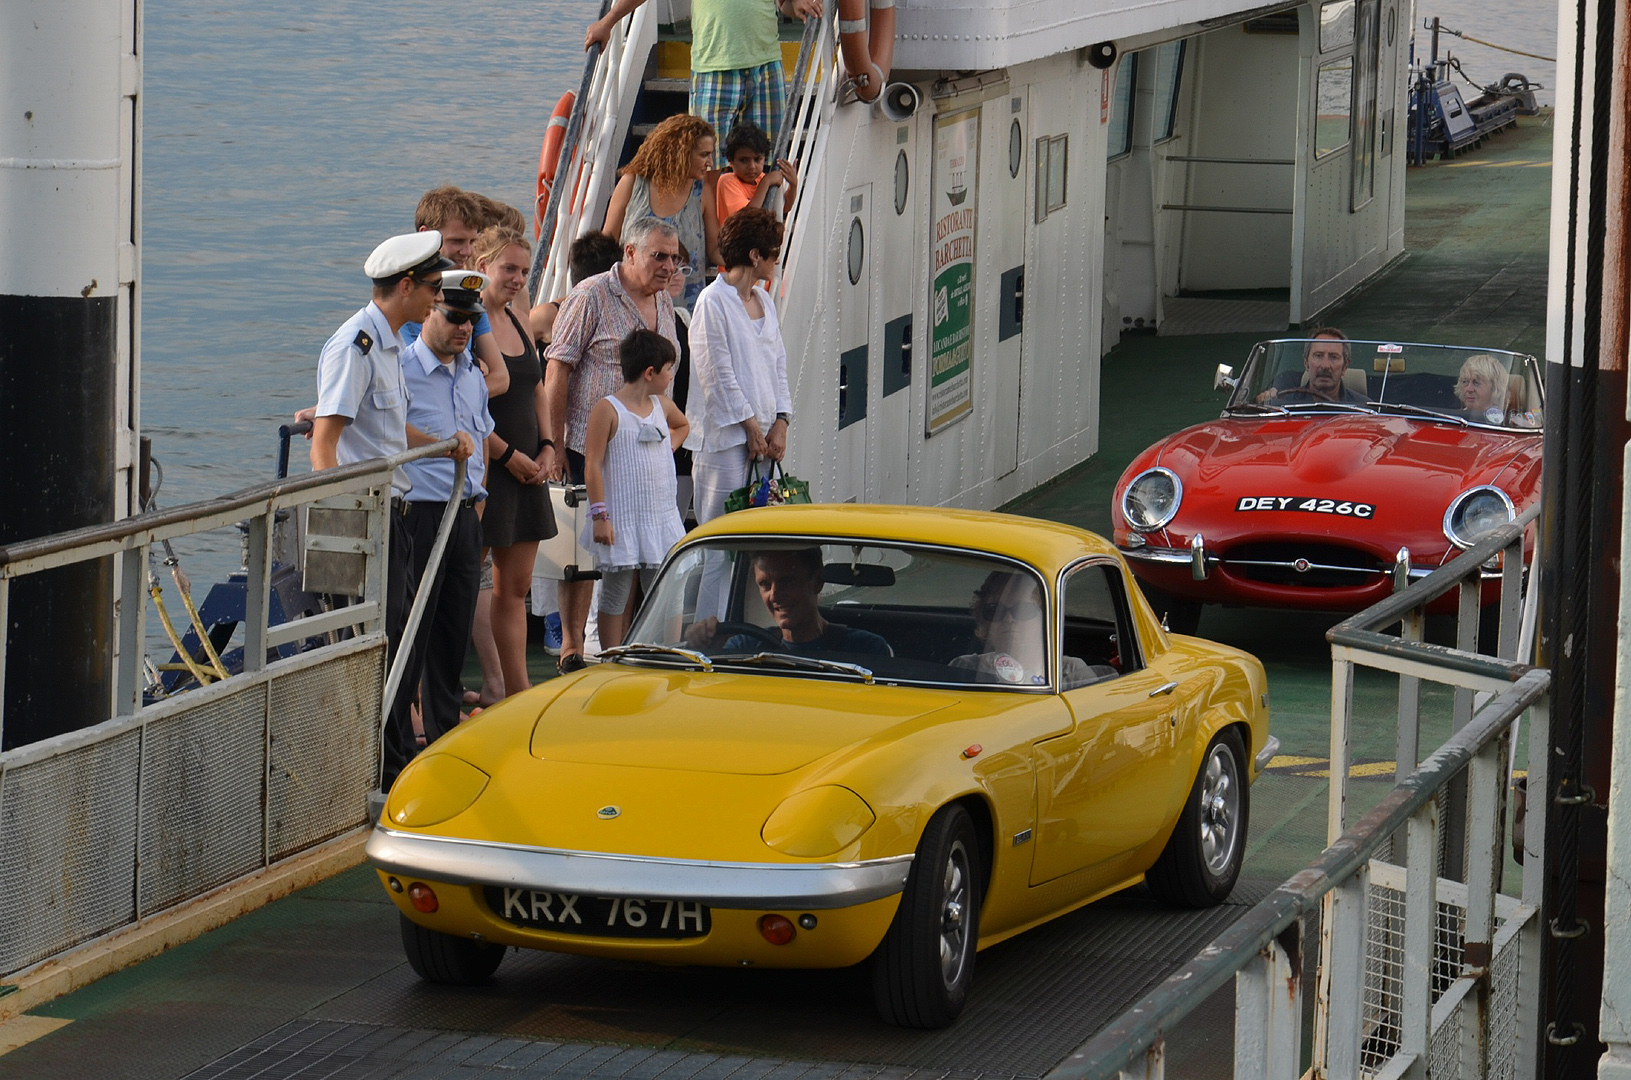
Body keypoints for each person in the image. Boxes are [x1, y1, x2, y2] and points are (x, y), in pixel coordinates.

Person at [310, 231, 473, 786]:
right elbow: (324, 446)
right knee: (381, 651)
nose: (436, 300)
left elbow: (385, 427)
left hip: (396, 516)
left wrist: (440, 441)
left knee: (400, 644)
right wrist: (344, 525)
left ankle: (393, 761)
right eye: (431, 288)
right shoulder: (355, 344)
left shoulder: (386, 346)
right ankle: (377, 770)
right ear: (405, 286)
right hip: (371, 521)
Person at [544, 216, 682, 672]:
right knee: (582, 556)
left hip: (641, 453)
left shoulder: (664, 304)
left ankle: (635, 653)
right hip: (588, 443)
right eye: (657, 255)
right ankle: (570, 649)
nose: (666, 266)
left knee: (632, 555)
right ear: (630, 253)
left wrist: (663, 443)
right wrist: (556, 441)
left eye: (673, 257)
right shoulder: (590, 296)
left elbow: (667, 384)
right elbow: (558, 368)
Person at [397, 272, 495, 747]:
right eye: (455, 317)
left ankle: (442, 737)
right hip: (420, 514)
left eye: (472, 320)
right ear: (429, 312)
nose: (464, 329)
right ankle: (397, 743)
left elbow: (482, 442)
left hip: (464, 515)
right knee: (413, 634)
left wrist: (480, 500)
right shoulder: (401, 371)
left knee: (454, 633)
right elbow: (383, 429)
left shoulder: (472, 373)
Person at [687, 208, 791, 615]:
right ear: (753, 255)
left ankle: (745, 628)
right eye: (772, 251)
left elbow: (778, 363)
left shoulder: (764, 298)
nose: (776, 258)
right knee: (719, 546)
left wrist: (781, 422)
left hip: (764, 441)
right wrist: (750, 426)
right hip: (725, 441)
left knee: (758, 547)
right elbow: (716, 372)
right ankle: (707, 633)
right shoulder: (713, 302)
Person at [470, 227, 557, 702]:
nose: (518, 279)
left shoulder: (521, 319)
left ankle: (515, 688)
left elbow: (538, 387)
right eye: (509, 269)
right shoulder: (467, 323)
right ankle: (484, 682)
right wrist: (507, 454)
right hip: (491, 465)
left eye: (524, 271)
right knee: (466, 579)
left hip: (528, 465)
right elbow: (461, 406)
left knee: (516, 586)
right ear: (482, 266)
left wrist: (547, 446)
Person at [586, 0, 823, 160]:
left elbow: (783, 4)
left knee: (764, 163)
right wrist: (608, 22)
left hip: (766, 67)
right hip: (714, 70)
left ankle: (757, 232)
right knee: (707, 166)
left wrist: (797, 5)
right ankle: (713, 235)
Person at [581, 330, 689, 649]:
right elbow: (593, 464)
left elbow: (683, 426)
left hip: (660, 518)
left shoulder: (662, 406)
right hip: (624, 518)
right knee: (616, 590)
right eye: (668, 369)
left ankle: (668, 651)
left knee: (667, 588)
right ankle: (612, 655)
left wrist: (665, 447)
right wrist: (600, 515)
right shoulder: (608, 409)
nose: (671, 376)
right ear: (650, 373)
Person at [603, 114, 721, 311]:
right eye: (704, 155)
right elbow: (605, 245)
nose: (710, 162)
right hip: (631, 305)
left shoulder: (702, 193)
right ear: (681, 153)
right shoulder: (632, 184)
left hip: (684, 313)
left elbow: (715, 250)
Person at [686, 548, 889, 656]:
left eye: (787, 581)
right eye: (765, 584)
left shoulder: (866, 649)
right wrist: (705, 646)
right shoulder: (745, 646)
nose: (774, 595)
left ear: (817, 582)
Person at [950, 571, 1102, 689]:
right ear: (984, 621)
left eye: (1022, 610)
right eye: (995, 610)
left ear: (1045, 619)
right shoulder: (965, 667)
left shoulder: (1071, 673)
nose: (1008, 619)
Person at [1255, 328, 1368, 405]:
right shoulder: (1284, 406)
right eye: (1318, 356)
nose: (1325, 366)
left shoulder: (1364, 409)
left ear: (1345, 366)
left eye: (1333, 357)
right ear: (1306, 363)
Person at [715, 121, 798, 224]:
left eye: (757, 159)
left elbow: (784, 207)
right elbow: (748, 217)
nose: (751, 166)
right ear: (730, 161)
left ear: (765, 159)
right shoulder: (727, 181)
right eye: (744, 160)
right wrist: (765, 183)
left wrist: (793, 185)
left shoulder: (762, 178)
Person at [1456, 353, 1510, 421]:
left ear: (1494, 388)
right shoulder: (1453, 419)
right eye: (1465, 382)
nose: (1469, 389)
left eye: (1476, 383)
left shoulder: (1506, 423)